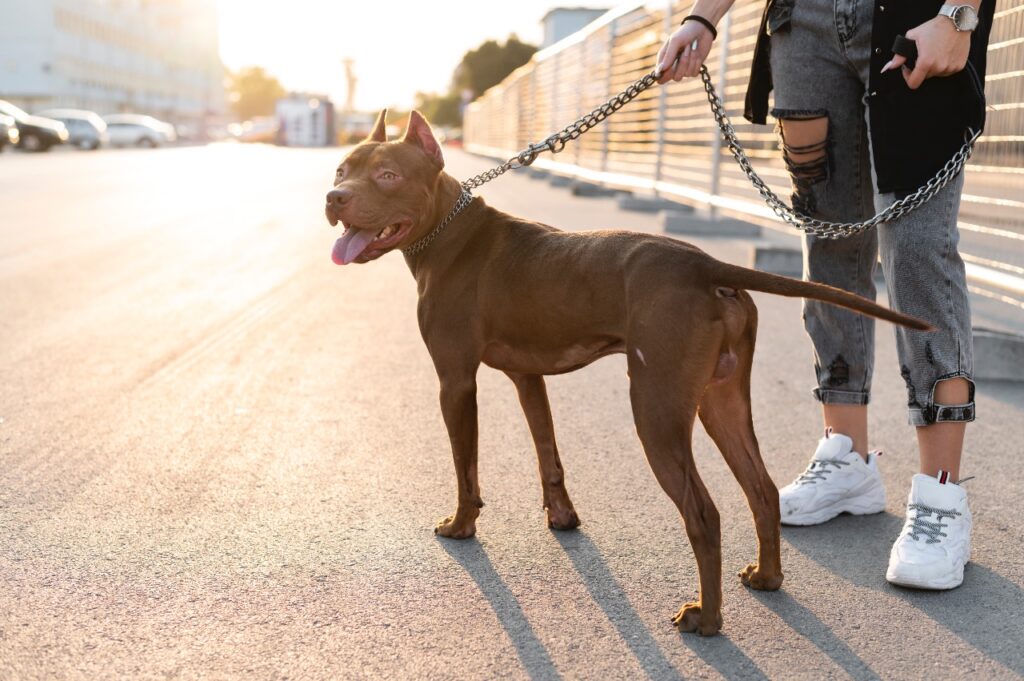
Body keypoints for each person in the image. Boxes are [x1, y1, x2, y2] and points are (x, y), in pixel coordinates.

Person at [656, 0, 995, 589]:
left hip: (917, 14)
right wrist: (704, 17)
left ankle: (941, 496)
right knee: (828, 240)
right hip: (803, 23)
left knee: (917, 248)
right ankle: (847, 458)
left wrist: (959, 14)